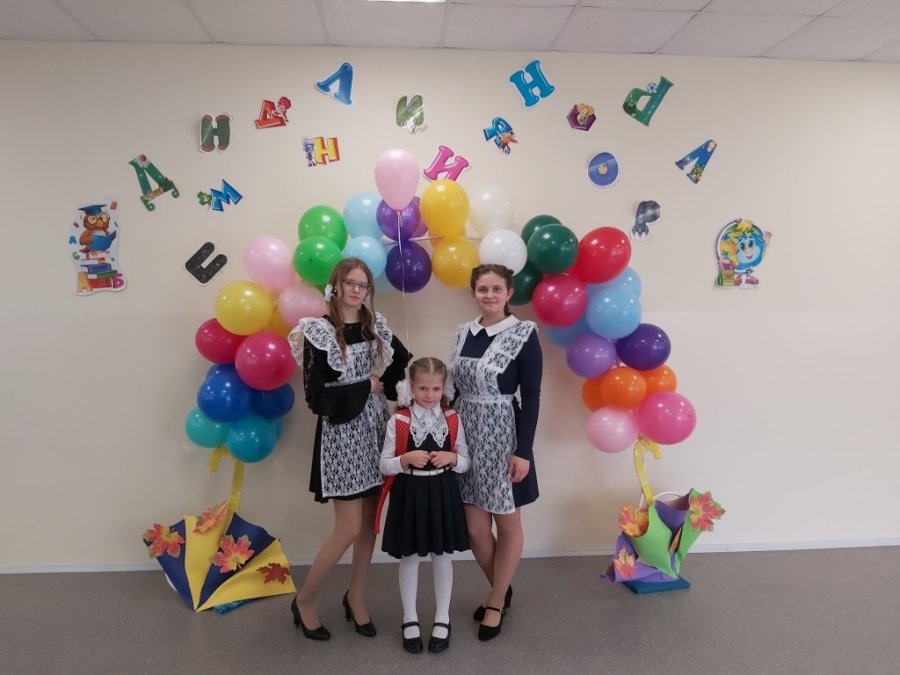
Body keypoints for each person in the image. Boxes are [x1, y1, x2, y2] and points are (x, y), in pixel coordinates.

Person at [286, 257, 410, 641]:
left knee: (369, 524)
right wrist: (365, 386)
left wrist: (393, 391)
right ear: (336, 286)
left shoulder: (376, 327)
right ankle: (305, 600)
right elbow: (317, 397)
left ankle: (355, 595)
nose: (356, 290)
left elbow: (402, 364)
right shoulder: (318, 332)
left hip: (375, 429)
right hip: (341, 434)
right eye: (350, 283)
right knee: (348, 528)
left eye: (363, 284)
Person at [449, 263, 542, 642]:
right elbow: (453, 389)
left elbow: (531, 395)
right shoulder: (462, 333)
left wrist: (524, 451)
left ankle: (496, 600)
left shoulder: (523, 333)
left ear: (508, 293)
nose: (489, 295)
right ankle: (501, 589)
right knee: (475, 528)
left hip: (504, 434)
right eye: (483, 289)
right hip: (466, 434)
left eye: (496, 289)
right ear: (473, 292)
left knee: (506, 522)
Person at [376, 358, 471, 654]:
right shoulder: (399, 420)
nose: (430, 395)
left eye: (436, 389)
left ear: (445, 388)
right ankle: (410, 618)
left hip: (443, 492)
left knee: (442, 556)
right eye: (423, 388)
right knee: (410, 556)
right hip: (409, 493)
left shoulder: (453, 418)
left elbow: (466, 461)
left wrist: (453, 459)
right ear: (411, 387)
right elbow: (384, 464)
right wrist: (404, 460)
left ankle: (443, 618)